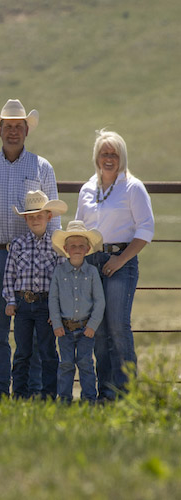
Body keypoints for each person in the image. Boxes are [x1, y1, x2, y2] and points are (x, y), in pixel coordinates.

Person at [0, 99, 60, 399]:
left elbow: (54, 219)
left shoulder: (42, 167)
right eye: (7, 127)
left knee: (34, 331)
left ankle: (31, 391)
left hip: (34, 259)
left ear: (26, 131)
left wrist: (57, 260)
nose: (13, 132)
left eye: (18, 127)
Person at [76, 129, 154, 401]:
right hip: (92, 262)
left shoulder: (133, 187)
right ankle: (105, 391)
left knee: (118, 326)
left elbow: (146, 229)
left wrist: (121, 260)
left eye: (114, 154)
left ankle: (126, 392)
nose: (108, 158)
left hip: (122, 259)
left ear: (122, 158)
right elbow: (79, 230)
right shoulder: (87, 189)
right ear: (96, 157)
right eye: (104, 153)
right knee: (98, 329)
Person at [2, 191, 66, 399]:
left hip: (46, 305)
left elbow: (60, 281)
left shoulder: (57, 246)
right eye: (31, 216)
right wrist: (11, 300)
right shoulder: (18, 245)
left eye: (40, 216)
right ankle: (19, 394)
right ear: (26, 219)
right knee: (22, 351)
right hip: (22, 305)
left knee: (48, 351)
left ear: (49, 217)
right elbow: (9, 275)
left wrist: (57, 309)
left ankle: (49, 394)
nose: (35, 220)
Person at [49, 220, 105, 403]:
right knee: (65, 364)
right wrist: (56, 323)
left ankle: (89, 398)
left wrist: (93, 325)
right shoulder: (59, 272)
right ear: (65, 249)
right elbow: (53, 299)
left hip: (85, 328)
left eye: (81, 245)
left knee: (86, 363)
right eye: (73, 245)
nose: (77, 248)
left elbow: (99, 301)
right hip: (64, 329)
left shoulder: (92, 273)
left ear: (88, 248)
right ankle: (64, 398)